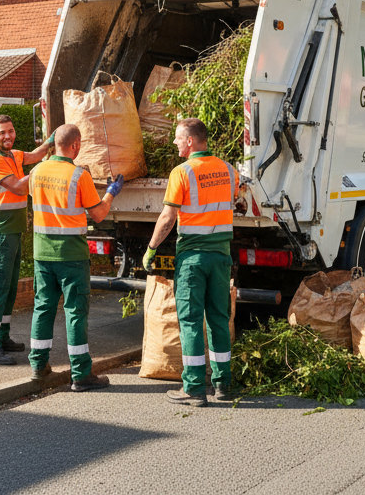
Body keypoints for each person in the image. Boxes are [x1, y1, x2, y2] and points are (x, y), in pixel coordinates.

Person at [143, 118, 240, 407]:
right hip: (221, 257)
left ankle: (195, 388)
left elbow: (168, 217)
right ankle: (223, 384)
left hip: (193, 260)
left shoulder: (182, 172)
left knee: (190, 321)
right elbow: (233, 201)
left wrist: (151, 248)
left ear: (190, 141)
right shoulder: (228, 170)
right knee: (219, 320)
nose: (174, 143)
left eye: (177, 138)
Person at [27, 124, 124, 391]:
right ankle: (81, 374)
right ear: (75, 146)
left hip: (42, 253)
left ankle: (38, 367)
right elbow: (99, 214)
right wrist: (111, 192)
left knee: (43, 308)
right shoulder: (78, 176)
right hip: (71, 256)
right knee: (75, 312)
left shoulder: (36, 172)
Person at [0, 114, 54, 365]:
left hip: (13, 231)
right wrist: (42, 171)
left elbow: (37, 153)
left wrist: (54, 138)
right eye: (2, 133)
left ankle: (2, 337)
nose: (8, 136)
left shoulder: (14, 155)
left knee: (9, 288)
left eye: (10, 131)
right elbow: (20, 187)